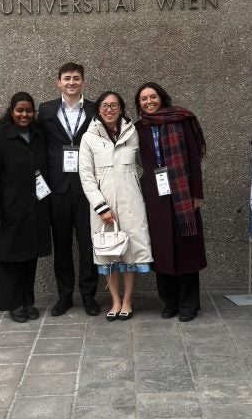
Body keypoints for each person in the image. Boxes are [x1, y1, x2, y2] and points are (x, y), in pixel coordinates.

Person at [135, 82, 206, 322]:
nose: (149, 102)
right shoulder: (138, 128)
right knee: (162, 249)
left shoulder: (181, 120)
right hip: (155, 197)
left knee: (185, 250)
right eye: (144, 99)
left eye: (153, 97)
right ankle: (170, 302)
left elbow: (194, 159)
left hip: (183, 195)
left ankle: (189, 305)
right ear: (139, 104)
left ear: (162, 98)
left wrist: (196, 194)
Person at [79, 91, 153, 320]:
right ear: (98, 109)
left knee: (130, 252)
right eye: (104, 105)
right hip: (104, 205)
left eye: (114, 105)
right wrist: (101, 207)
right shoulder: (89, 137)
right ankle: (115, 301)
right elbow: (86, 177)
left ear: (121, 109)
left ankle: (127, 300)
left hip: (131, 202)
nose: (109, 109)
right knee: (108, 253)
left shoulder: (132, 132)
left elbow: (145, 163)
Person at [0, 92, 51, 323]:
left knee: (29, 258)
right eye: (20, 110)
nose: (24, 114)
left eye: (29, 110)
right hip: (8, 209)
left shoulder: (38, 134)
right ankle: (14, 304)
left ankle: (27, 301)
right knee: (9, 259)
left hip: (33, 209)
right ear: (11, 111)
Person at [37, 63, 100, 316]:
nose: (71, 82)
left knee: (88, 244)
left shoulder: (95, 109)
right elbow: (32, 136)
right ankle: (64, 296)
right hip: (58, 188)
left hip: (87, 187)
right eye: (67, 78)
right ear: (59, 82)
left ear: (83, 81)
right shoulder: (46, 110)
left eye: (76, 78)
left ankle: (88, 295)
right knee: (62, 245)